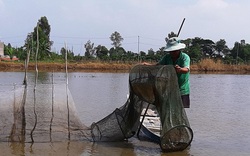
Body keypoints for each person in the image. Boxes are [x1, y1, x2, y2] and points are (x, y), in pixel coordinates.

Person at [144, 37, 191, 108]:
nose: (172, 53)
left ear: (179, 50)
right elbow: (158, 66)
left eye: (174, 51)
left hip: (182, 89)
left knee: (181, 110)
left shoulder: (185, 57)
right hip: (170, 88)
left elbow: (186, 69)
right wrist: (148, 65)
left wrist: (180, 69)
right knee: (169, 108)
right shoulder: (167, 57)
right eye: (171, 51)